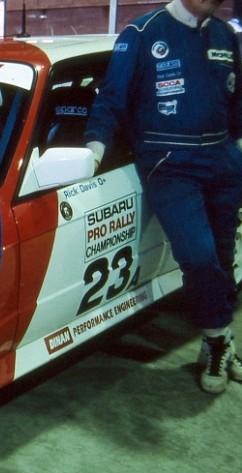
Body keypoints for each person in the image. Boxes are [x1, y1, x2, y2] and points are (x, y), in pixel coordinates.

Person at [85, 0, 242, 394]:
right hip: (169, 162)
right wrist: (92, 152)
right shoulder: (142, 33)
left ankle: (216, 341)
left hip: (222, 159)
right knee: (199, 255)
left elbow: (236, 101)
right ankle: (220, 335)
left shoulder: (225, 36)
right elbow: (111, 99)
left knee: (224, 255)